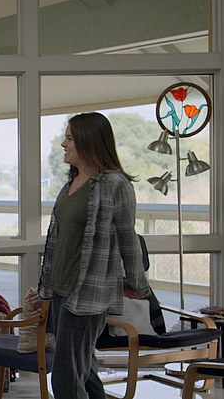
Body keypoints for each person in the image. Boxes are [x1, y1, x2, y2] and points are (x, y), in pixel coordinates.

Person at [35, 112, 150, 399]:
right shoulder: (71, 184)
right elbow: (57, 241)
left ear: (89, 142)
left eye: (70, 138)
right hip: (61, 291)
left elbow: (128, 239)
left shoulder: (115, 184)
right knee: (83, 373)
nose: (64, 144)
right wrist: (45, 290)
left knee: (64, 379)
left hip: (88, 294)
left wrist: (136, 283)